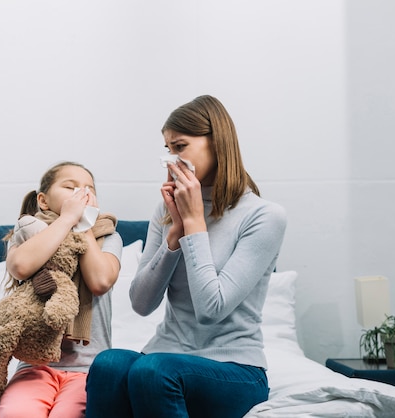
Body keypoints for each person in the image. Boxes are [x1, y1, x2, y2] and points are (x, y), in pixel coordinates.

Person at [85, 95, 287, 418]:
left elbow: (212, 309)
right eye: (168, 150)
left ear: (216, 143)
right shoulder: (164, 211)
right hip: (162, 358)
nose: (171, 160)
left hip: (234, 368)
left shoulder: (264, 217)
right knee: (108, 365)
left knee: (153, 371)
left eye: (180, 147)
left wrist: (194, 224)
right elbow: (141, 303)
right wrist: (175, 235)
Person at [0, 161, 123, 418]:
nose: (82, 193)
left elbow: (100, 282)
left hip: (88, 368)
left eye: (89, 188)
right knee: (16, 413)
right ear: (43, 200)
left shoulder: (107, 237)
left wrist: (83, 226)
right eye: (70, 187)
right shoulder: (27, 232)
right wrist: (66, 219)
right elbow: (20, 266)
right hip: (34, 365)